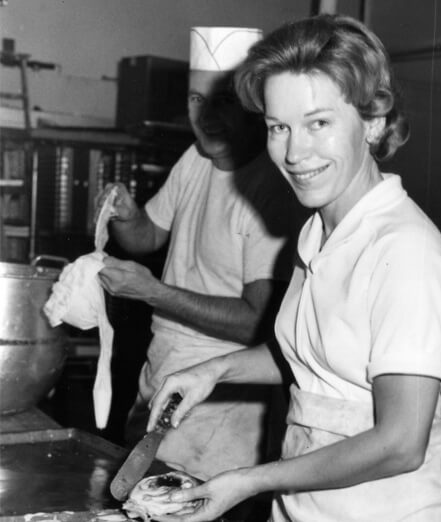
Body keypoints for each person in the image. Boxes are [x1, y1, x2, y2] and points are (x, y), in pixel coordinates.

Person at [147, 14, 441, 522]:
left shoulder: (404, 251)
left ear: (373, 121)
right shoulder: (321, 231)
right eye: (280, 127)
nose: (295, 153)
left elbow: (400, 443)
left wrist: (251, 480)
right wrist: (215, 369)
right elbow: (317, 363)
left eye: (319, 123)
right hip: (310, 507)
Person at [97, 26, 300, 480]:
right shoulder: (196, 159)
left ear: (255, 106)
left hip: (222, 403)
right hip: (162, 374)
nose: (206, 116)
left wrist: (154, 293)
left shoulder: (271, 192)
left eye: (223, 101)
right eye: (195, 99)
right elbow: (149, 237)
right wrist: (127, 216)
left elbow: (256, 320)